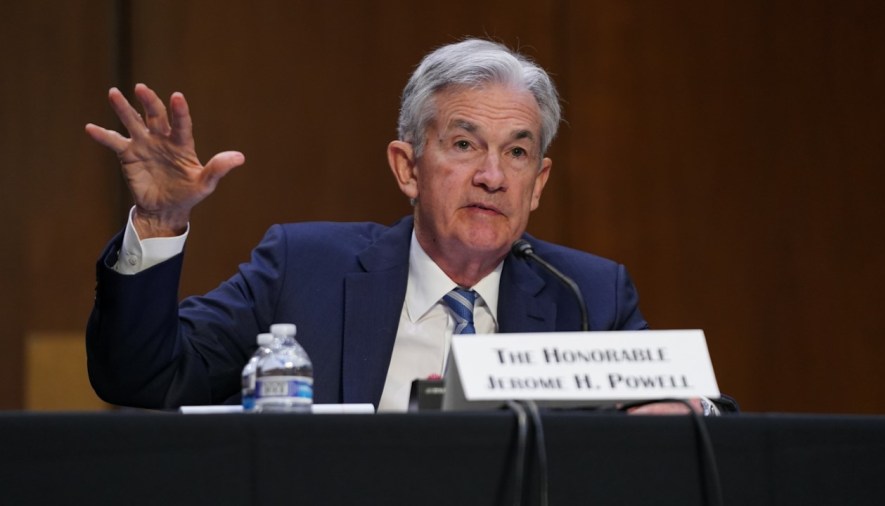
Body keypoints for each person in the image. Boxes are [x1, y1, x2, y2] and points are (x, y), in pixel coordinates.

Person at [85, 38, 662, 413]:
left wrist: (683, 411)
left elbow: (694, 417)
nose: (493, 176)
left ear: (538, 184)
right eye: (464, 144)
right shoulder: (304, 271)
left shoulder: (587, 298)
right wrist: (160, 219)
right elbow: (146, 378)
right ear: (407, 168)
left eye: (517, 153)